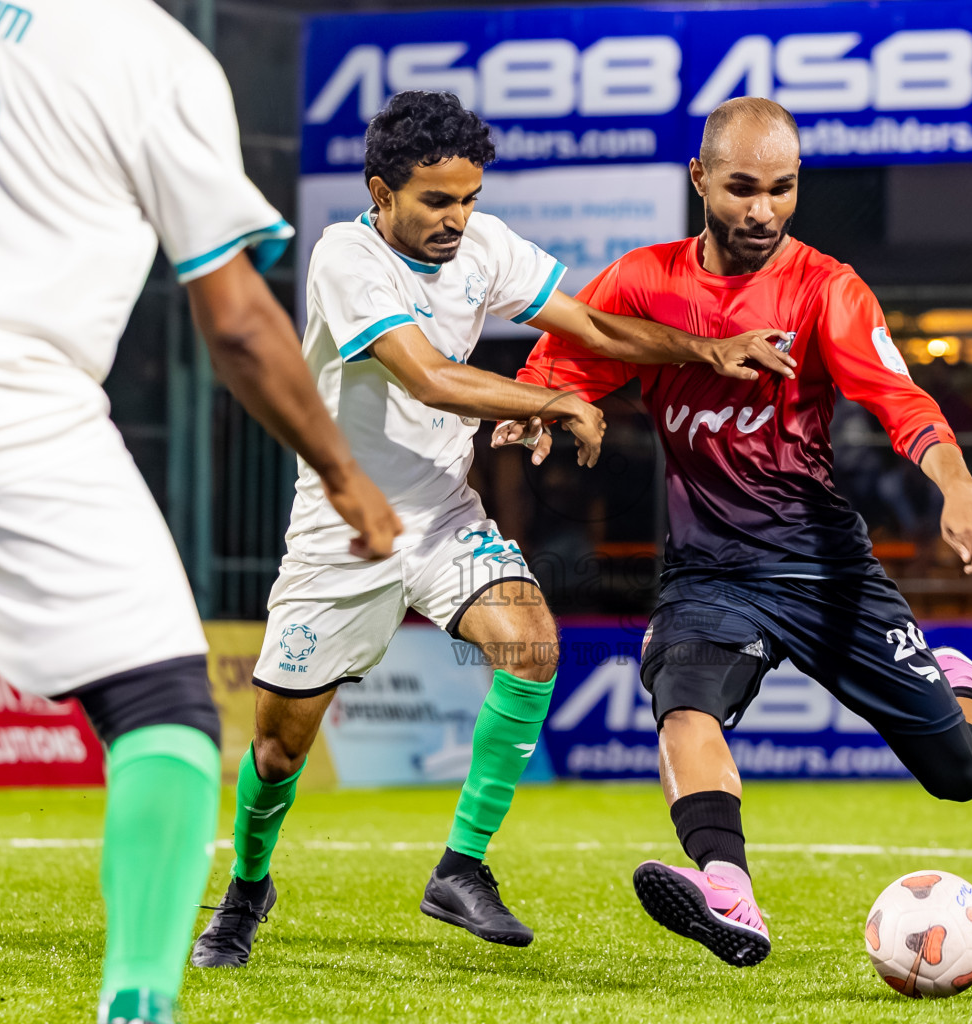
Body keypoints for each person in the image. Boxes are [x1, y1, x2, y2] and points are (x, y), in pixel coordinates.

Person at [0, 3, 401, 1023]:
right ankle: (138, 999)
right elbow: (233, 320)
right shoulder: (150, 53)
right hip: (4, 409)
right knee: (164, 711)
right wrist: (339, 469)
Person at [189, 91, 794, 967]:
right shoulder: (344, 257)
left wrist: (706, 349)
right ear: (380, 190)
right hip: (343, 529)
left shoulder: (485, 244)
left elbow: (584, 321)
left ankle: (461, 867)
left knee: (530, 646)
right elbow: (430, 378)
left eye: (469, 199)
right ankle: (247, 889)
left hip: (441, 516)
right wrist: (555, 399)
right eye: (437, 201)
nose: (457, 219)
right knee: (280, 752)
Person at [503, 97, 972, 968]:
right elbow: (565, 362)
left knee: (959, 775)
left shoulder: (827, 288)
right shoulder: (643, 280)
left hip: (823, 568)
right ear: (699, 179)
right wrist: (538, 412)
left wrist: (960, 486)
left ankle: (971, 692)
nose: (762, 210)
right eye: (743, 188)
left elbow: (902, 403)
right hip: (708, 572)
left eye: (782, 190)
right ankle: (728, 890)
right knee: (681, 700)